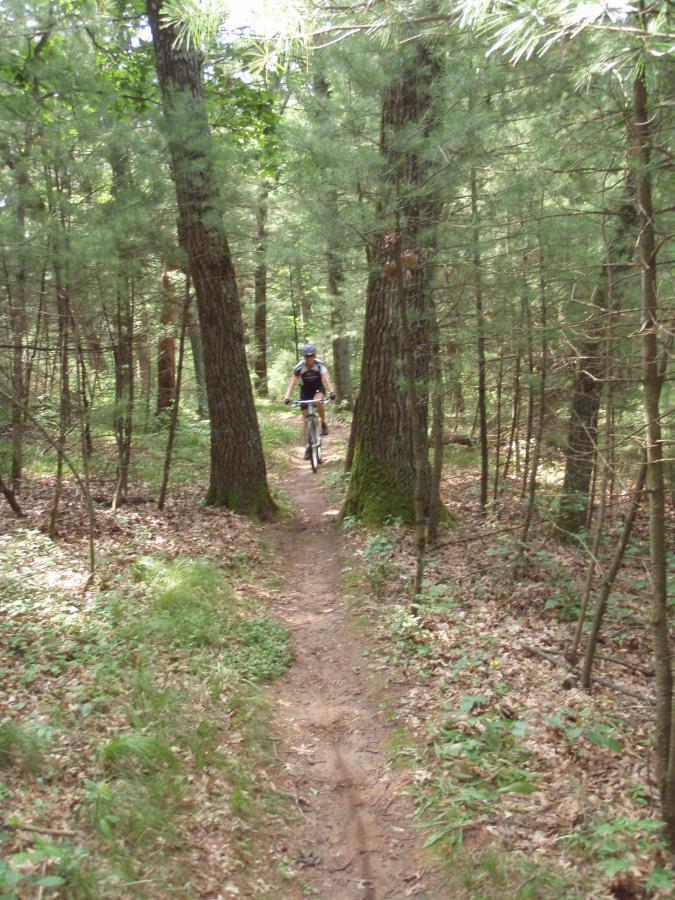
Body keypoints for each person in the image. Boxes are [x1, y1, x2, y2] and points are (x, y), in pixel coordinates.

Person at [284, 344, 336, 458]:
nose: (309, 358)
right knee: (305, 419)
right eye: (307, 356)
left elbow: (326, 379)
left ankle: (323, 423)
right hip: (305, 391)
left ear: (315, 355)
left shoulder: (319, 365)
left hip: (318, 389)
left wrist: (332, 392)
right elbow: (292, 383)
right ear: (304, 357)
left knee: (318, 401)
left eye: (311, 355)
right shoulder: (299, 367)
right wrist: (287, 397)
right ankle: (308, 445)